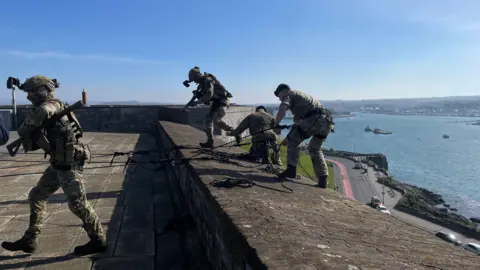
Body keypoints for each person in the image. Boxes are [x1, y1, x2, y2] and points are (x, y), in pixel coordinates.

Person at [1, 75, 107, 255]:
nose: (28, 97)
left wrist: (29, 125)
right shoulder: (56, 105)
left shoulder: (50, 105)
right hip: (58, 162)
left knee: (78, 204)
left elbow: (42, 113)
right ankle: (30, 239)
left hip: (68, 162)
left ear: (42, 91)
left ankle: (98, 239)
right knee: (37, 195)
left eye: (31, 92)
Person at [273, 84, 334, 188]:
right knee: (314, 149)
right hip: (327, 122)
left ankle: (291, 170)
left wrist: (276, 124)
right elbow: (297, 126)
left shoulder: (289, 95)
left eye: (279, 96)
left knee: (293, 141)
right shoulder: (302, 101)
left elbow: (283, 107)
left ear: (284, 91)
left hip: (314, 120)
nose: (280, 99)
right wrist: (287, 139)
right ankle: (323, 179)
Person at [184, 66, 241, 148]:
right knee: (213, 120)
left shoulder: (208, 80)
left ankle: (214, 140)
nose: (195, 81)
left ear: (198, 76)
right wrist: (195, 98)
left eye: (195, 79)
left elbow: (209, 95)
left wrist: (197, 102)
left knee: (213, 120)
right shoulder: (201, 84)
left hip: (222, 101)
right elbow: (201, 96)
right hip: (216, 102)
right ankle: (213, 140)